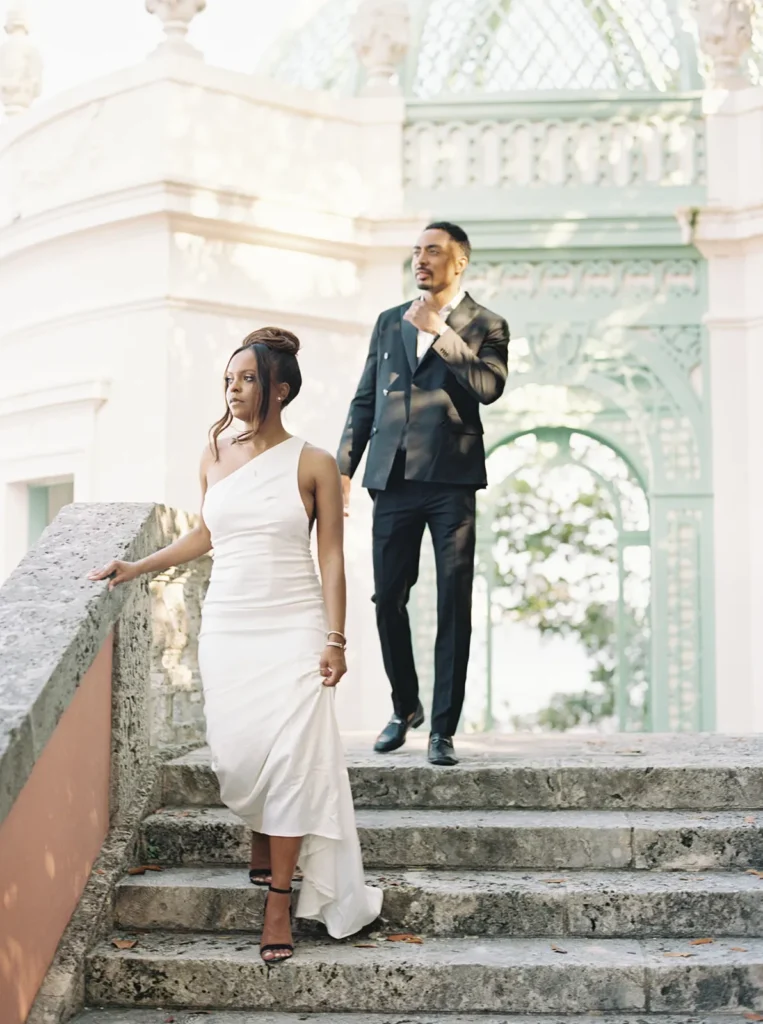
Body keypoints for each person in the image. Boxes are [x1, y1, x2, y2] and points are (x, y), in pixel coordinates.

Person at [88, 327, 382, 963]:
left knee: (295, 760)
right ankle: (260, 823)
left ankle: (279, 898)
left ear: (279, 388)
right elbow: (205, 534)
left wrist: (336, 638)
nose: (233, 389)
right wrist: (137, 566)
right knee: (240, 755)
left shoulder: (315, 463)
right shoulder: (215, 451)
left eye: (246, 379)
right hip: (230, 624)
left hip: (297, 622)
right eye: (228, 379)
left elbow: (330, 556)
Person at [338, 222, 509, 767]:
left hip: (451, 481)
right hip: (391, 479)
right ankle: (405, 704)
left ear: (459, 262)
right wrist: (344, 467)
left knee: (453, 603)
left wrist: (441, 332)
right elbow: (365, 398)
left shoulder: (487, 324)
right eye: (417, 250)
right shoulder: (389, 321)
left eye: (433, 251)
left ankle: (442, 730)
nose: (421, 259)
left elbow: (489, 387)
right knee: (387, 597)